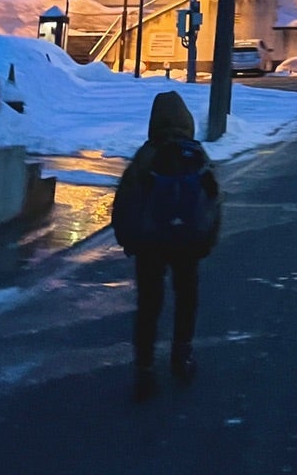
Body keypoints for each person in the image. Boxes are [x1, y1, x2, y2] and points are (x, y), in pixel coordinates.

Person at [112, 90, 222, 401]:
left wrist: (128, 240)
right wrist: (207, 241)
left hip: (150, 242)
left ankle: (145, 367)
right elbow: (213, 201)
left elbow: (125, 202)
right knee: (186, 298)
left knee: (149, 304)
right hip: (188, 243)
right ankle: (182, 354)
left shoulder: (147, 155)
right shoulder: (196, 154)